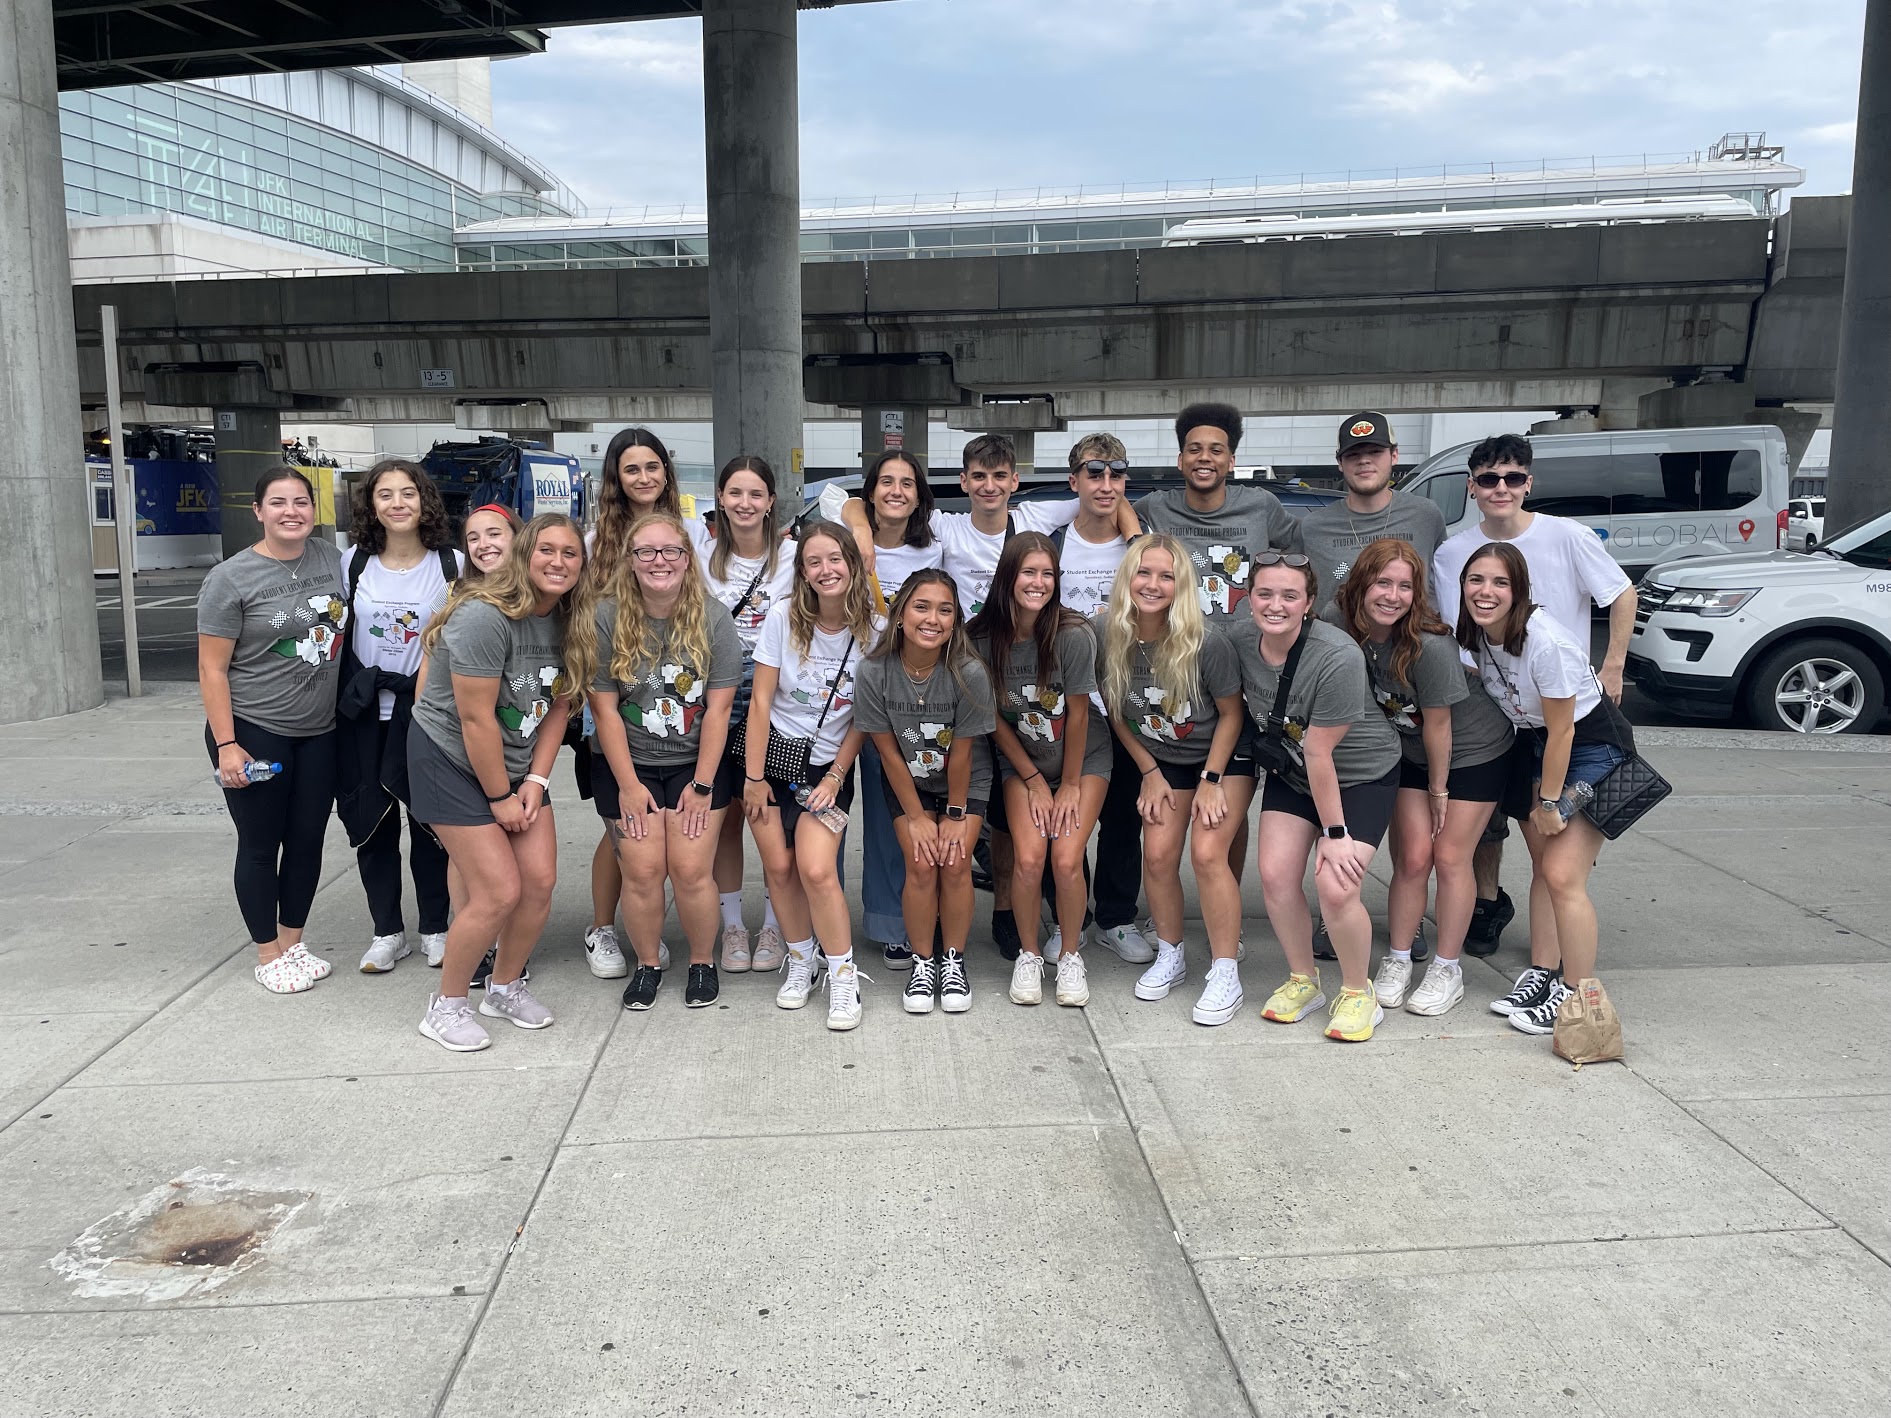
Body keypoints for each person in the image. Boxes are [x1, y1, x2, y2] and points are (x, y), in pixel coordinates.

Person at [1432, 433, 1634, 953]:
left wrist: (1613, 666)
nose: (1501, 487)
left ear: (1529, 483)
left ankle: (1563, 965)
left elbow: (1621, 593)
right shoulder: (1451, 553)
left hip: (1565, 714)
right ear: (1471, 486)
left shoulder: (1567, 536)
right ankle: (1499, 915)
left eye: (1513, 477)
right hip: (1497, 712)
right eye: (1488, 479)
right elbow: (1456, 631)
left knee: (1555, 854)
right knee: (1493, 827)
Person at [408, 513, 593, 1052]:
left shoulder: (572, 620)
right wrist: (500, 797)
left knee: (538, 883)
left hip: (515, 761)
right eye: (546, 550)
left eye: (570, 553)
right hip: (449, 757)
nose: (558, 562)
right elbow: (475, 720)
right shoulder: (483, 616)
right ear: (524, 554)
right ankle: (446, 1007)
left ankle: (505, 988)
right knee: (498, 891)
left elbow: (559, 705)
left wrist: (535, 779)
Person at [1330, 540, 1514, 1017]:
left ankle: (1448, 969)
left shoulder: (1429, 644)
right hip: (1410, 749)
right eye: (1382, 583)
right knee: (1412, 857)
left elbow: (1440, 725)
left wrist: (1439, 790)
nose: (1393, 596)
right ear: (1360, 584)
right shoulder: (1340, 624)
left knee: (1450, 856)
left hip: (1472, 750)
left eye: (1405, 586)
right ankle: (1397, 958)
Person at [1459, 543, 1634, 1038]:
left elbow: (1565, 732)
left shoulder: (1546, 643)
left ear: (1519, 591)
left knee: (1562, 874)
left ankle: (1575, 994)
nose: (1486, 591)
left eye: (1500, 582)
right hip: (1535, 745)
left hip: (1591, 749)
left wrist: (1552, 801)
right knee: (1543, 866)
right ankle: (1542, 973)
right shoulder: (1481, 634)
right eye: (1476, 580)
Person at [1239, 554, 1404, 1042]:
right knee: (1275, 875)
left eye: (1290, 596)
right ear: (1248, 598)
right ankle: (1303, 979)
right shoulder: (1240, 641)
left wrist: (1335, 834)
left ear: (1309, 603)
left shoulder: (1336, 655)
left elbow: (1320, 751)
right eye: (1265, 593)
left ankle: (1358, 992)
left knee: (1336, 884)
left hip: (1359, 774)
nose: (1276, 605)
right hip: (1295, 773)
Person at [197, 467, 349, 994]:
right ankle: (267, 952)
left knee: (308, 840)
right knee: (261, 844)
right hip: (254, 728)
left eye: (301, 502)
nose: (292, 512)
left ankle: (292, 942)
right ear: (258, 511)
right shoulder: (231, 578)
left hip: (320, 729)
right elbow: (211, 669)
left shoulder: (330, 558)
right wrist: (227, 745)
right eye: (279, 503)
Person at [589, 513, 743, 1012]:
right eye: (646, 551)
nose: (660, 561)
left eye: (670, 550)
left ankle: (701, 962)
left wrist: (703, 784)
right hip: (628, 762)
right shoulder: (606, 617)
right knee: (642, 869)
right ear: (630, 561)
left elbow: (719, 709)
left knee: (691, 869)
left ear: (687, 558)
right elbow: (605, 710)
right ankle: (648, 964)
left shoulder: (714, 618)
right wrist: (629, 785)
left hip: (696, 762)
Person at [1096, 535, 1252, 1026]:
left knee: (1206, 853)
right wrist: (1148, 771)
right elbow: (1117, 711)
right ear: (1127, 577)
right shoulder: (1106, 632)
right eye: (1144, 572)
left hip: (1222, 756)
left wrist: (1211, 779)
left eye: (1167, 576)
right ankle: (1171, 952)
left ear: (1182, 585)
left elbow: (1232, 715)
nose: (1153, 584)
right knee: (1159, 854)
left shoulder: (1207, 641)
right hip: (1163, 759)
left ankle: (1225, 972)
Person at [744, 521, 880, 1030]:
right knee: (779, 869)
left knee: (817, 870)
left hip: (827, 768)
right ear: (802, 572)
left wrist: (836, 776)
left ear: (853, 564)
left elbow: (865, 716)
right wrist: (753, 777)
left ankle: (843, 974)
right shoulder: (783, 618)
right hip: (771, 761)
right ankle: (802, 960)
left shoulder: (876, 630)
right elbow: (761, 701)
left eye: (835, 559)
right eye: (813, 562)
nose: (826, 570)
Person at [967, 534, 1110, 1008]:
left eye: (1048, 574)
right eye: (1029, 572)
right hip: (1022, 760)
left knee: (1066, 860)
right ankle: (1029, 955)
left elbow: (1080, 713)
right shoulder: (979, 638)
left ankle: (1070, 955)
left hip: (1081, 760)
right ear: (1008, 576)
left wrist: (1068, 785)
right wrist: (1031, 779)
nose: (1039, 582)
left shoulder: (1072, 633)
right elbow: (991, 718)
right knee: (1028, 860)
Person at [335, 458, 463, 975]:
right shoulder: (352, 563)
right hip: (366, 713)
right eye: (384, 494)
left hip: (427, 713)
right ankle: (386, 931)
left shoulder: (452, 564)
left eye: (407, 493)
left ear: (424, 499)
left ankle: (435, 927)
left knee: (432, 826)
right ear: (371, 505)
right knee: (373, 825)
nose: (397, 503)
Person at [855, 570, 996, 1019]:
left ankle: (952, 962)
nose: (932, 619)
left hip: (963, 782)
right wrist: (917, 817)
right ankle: (922, 962)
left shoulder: (969, 672)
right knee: (920, 861)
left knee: (954, 861)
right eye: (921, 607)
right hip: (908, 780)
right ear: (900, 615)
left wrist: (954, 815)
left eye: (945, 610)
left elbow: (964, 752)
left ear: (955, 621)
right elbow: (887, 752)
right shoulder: (874, 671)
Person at [582, 429, 686, 981]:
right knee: (620, 823)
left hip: (673, 694)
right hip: (610, 690)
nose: (644, 477)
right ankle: (602, 928)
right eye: (631, 469)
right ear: (616, 479)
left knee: (658, 831)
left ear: (666, 472)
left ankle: (646, 927)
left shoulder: (691, 532)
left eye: (652, 466)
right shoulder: (597, 540)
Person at [696, 456, 796, 976]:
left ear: (771, 501)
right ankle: (733, 925)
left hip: (775, 699)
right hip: (718, 695)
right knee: (728, 816)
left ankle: (776, 926)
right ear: (720, 497)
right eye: (735, 493)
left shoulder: (795, 557)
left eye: (756, 494)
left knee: (770, 816)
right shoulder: (701, 557)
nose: (745, 503)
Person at [1059, 433, 1157, 966]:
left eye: (1116, 475)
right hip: (1065, 704)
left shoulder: (1141, 548)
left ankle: (1116, 919)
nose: (1105, 485)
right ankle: (1068, 919)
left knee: (1122, 820)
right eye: (1094, 474)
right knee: (1065, 818)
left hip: (1124, 702)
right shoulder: (1052, 543)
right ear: (1074, 479)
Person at [850, 450, 944, 970]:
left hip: (914, 700)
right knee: (875, 820)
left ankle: (918, 916)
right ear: (871, 492)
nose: (896, 491)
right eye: (886, 481)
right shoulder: (849, 543)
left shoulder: (934, 548)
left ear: (919, 496)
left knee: (911, 814)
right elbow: (838, 503)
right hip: (852, 697)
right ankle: (884, 922)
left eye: (907, 483)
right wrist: (858, 527)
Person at [1298, 412, 1447, 613]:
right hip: (1335, 633)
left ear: (1394, 455)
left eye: (1375, 451)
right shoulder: (1313, 528)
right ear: (1340, 462)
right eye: (1353, 454)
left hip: (1412, 633)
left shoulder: (1425, 516)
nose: (1364, 460)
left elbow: (1443, 586)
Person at [462, 503, 521, 580]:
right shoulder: (454, 587)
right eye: (474, 538)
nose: (483, 545)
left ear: (517, 536)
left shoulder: (534, 587)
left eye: (494, 534)